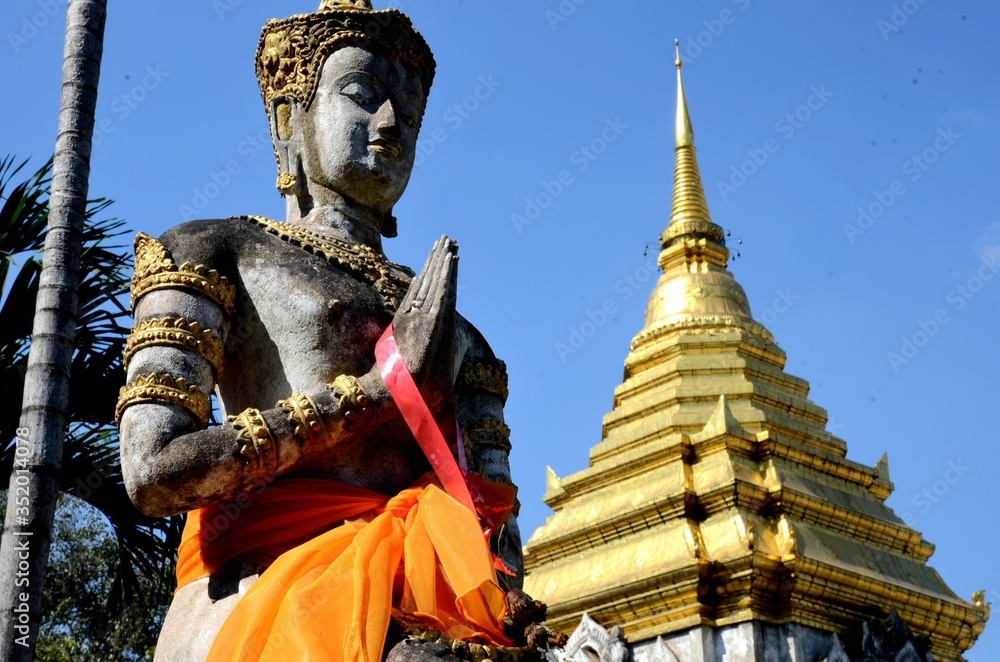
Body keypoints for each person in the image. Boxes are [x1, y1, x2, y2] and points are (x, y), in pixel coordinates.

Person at [116, 2, 523, 659]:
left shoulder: (462, 337)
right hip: (282, 584)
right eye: (362, 96)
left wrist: (515, 604)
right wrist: (382, 390)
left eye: (409, 114)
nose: (390, 125)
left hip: (442, 597)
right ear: (289, 117)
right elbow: (153, 469)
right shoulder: (219, 252)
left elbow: (498, 530)